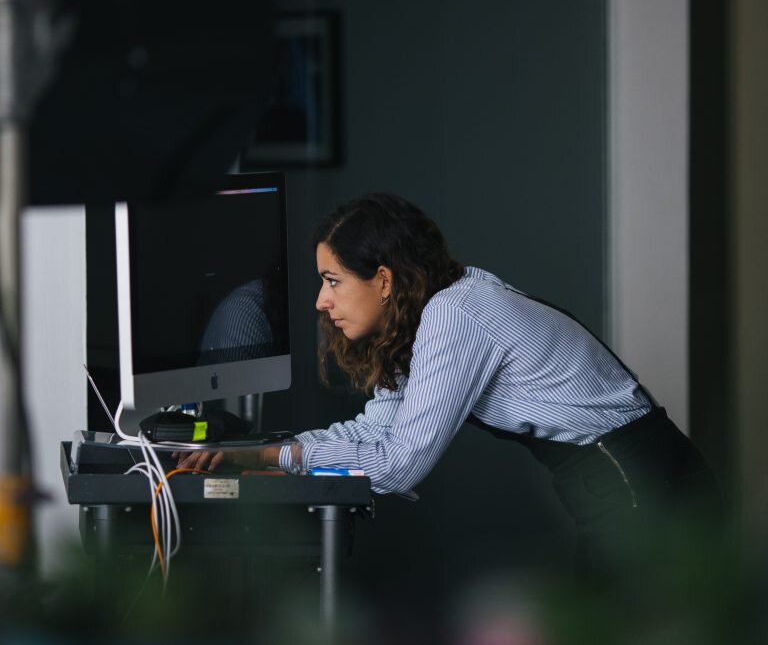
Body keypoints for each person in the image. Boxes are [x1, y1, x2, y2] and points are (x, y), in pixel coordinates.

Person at [182, 193, 721, 572]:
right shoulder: (430, 317)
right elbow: (378, 431)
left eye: (332, 281)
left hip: (643, 484)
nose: (321, 301)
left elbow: (396, 466)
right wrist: (274, 452)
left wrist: (271, 459)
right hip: (618, 477)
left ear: (384, 280)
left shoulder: (456, 313)